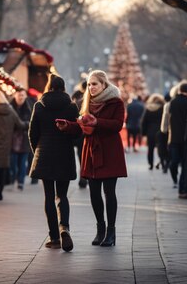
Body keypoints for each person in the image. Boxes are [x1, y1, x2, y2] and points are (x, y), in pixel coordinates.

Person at [57, 70, 127, 247]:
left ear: (104, 84)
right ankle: (100, 229)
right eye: (89, 84)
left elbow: (118, 125)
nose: (91, 87)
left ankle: (111, 232)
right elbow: (82, 126)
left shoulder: (115, 102)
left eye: (95, 84)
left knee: (109, 192)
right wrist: (68, 126)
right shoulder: (87, 102)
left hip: (110, 150)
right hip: (92, 151)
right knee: (94, 192)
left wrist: (97, 122)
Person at [29, 74, 79, 252]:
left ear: (49, 87)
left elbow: (32, 133)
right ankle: (64, 227)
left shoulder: (40, 106)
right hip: (64, 154)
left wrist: (38, 151)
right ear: (63, 87)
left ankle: (54, 237)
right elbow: (76, 133)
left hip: (45, 155)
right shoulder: (72, 107)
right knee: (62, 196)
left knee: (49, 197)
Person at [167, 82, 187, 198]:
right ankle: (184, 189)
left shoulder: (172, 102)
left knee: (174, 162)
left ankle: (176, 179)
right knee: (186, 164)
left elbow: (168, 119)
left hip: (174, 138)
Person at [10, 88, 32, 190]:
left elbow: (31, 122)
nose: (21, 97)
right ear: (15, 95)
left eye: (23, 95)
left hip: (25, 140)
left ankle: (21, 182)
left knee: (23, 163)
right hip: (12, 140)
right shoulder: (10, 107)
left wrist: (24, 125)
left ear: (25, 96)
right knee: (13, 163)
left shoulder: (29, 108)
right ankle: (14, 177)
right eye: (19, 95)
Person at [141, 94, 165, 170]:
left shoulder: (148, 109)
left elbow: (143, 122)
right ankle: (162, 163)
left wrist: (144, 133)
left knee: (150, 149)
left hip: (150, 132)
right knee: (161, 148)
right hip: (160, 131)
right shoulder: (162, 108)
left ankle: (150, 164)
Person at [72, 81, 88, 188]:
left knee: (81, 157)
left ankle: (83, 178)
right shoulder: (89, 100)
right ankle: (85, 177)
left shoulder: (76, 98)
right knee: (87, 157)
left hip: (79, 134)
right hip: (87, 133)